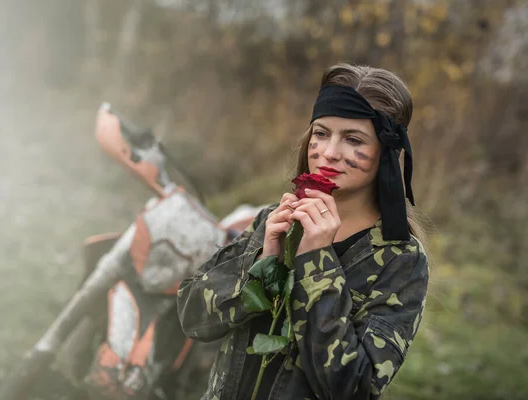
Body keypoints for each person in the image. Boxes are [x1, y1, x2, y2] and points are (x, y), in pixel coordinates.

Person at [177, 62, 430, 400]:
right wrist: (264, 264)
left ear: (386, 153)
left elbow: (353, 388)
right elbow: (192, 317)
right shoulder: (273, 221)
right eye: (321, 133)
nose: (328, 152)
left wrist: (316, 260)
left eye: (353, 139)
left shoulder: (400, 260)